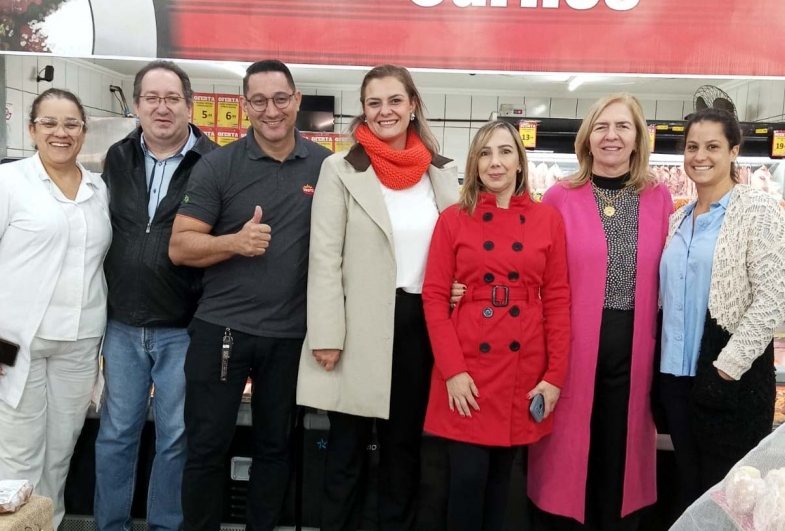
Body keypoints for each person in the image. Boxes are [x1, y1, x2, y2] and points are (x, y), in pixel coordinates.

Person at [169, 59, 331, 531]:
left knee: (275, 450)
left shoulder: (327, 167)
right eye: (259, 100)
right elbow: (180, 246)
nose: (271, 110)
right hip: (222, 332)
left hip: (289, 338)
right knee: (206, 449)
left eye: (281, 98)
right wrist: (233, 243)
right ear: (245, 108)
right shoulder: (218, 165)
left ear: (297, 100)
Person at [296, 64, 459, 531]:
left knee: (402, 449)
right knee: (345, 449)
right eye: (374, 102)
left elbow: (458, 249)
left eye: (394, 101)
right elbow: (324, 256)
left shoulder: (441, 173)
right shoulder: (340, 169)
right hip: (356, 324)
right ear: (363, 111)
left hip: (418, 325)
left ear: (412, 106)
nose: (384, 111)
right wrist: (327, 334)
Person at [527, 93, 673, 531]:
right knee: (569, 455)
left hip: (635, 351)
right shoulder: (560, 196)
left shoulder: (658, 197)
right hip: (572, 349)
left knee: (620, 455)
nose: (611, 136)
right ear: (588, 138)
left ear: (637, 139)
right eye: (602, 126)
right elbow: (536, 274)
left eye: (622, 127)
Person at [422, 120, 570, 531]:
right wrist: (453, 371)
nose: (495, 162)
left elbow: (558, 301)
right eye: (485, 153)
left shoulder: (547, 221)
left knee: (502, 486)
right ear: (474, 163)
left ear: (520, 163)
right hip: (469, 365)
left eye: (505, 152)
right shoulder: (453, 219)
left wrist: (554, 375)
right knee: (466, 483)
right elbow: (434, 298)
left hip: (523, 367)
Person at [94, 60, 217, 531]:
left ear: (189, 104)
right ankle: (110, 525)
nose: (162, 108)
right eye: (152, 98)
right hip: (121, 323)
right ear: (137, 105)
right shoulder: (117, 158)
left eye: (172, 98)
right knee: (116, 434)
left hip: (184, 326)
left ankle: (167, 526)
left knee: (175, 438)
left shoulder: (214, 162)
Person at [658, 108, 785, 513]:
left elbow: (772, 297)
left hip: (732, 380)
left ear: (734, 152)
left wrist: (728, 366)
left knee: (731, 500)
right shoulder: (678, 218)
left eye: (713, 146)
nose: (700, 156)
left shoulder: (757, 210)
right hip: (677, 380)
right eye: (692, 146)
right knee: (691, 486)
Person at [0, 88, 110, 528]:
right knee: (17, 454)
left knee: (60, 455)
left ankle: (49, 523)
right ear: (31, 130)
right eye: (49, 123)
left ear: (83, 132)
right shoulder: (9, 183)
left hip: (80, 341)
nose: (60, 133)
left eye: (71, 124)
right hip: (13, 342)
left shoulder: (98, 188)